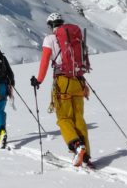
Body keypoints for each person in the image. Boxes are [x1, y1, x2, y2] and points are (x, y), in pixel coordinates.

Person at [30, 13, 95, 169]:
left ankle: (77, 145)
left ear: (50, 25)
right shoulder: (74, 37)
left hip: (62, 82)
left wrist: (38, 80)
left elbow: (45, 61)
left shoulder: (49, 39)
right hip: (78, 81)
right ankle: (85, 156)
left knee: (63, 118)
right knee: (78, 118)